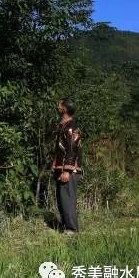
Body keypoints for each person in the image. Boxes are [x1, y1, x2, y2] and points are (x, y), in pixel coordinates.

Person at [52, 98, 83, 234]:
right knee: (62, 198)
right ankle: (66, 227)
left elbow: (72, 149)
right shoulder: (64, 125)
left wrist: (67, 170)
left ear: (64, 108)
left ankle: (72, 229)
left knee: (68, 198)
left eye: (60, 104)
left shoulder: (71, 127)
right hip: (62, 168)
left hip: (68, 169)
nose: (57, 106)